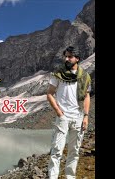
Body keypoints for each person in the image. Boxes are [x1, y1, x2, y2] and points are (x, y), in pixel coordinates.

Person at [46, 46, 91, 179]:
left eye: (70, 56)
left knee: (74, 151)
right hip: (63, 117)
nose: (66, 59)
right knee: (56, 151)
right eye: (65, 56)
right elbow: (49, 94)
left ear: (77, 59)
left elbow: (87, 96)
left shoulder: (84, 76)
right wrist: (60, 113)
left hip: (78, 117)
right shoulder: (58, 74)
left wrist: (86, 116)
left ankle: (70, 177)